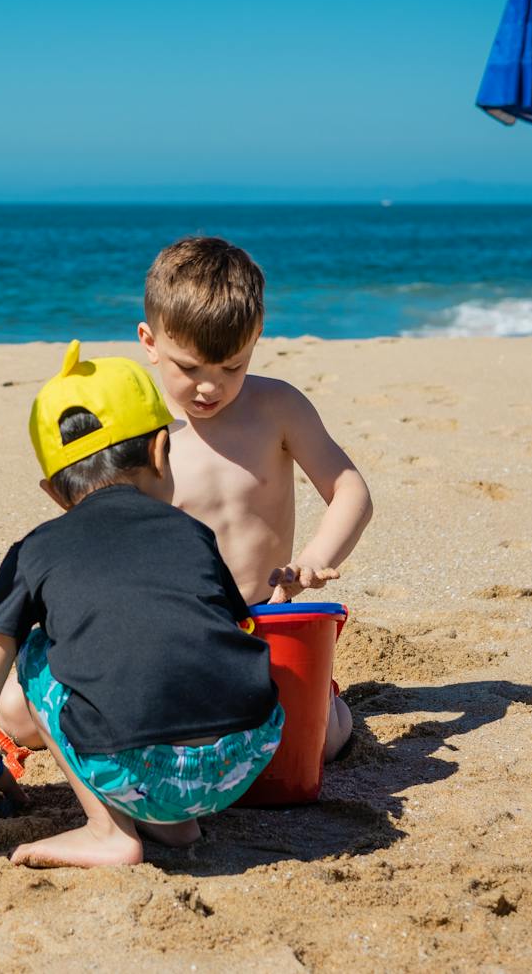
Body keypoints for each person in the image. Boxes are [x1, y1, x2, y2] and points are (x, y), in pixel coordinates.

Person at [0, 342, 283, 868]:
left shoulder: (32, 553)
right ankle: (174, 825)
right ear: (158, 451)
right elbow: (230, 628)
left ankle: (108, 831)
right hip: (245, 757)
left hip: (137, 770)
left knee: (36, 649)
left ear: (54, 493)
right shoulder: (194, 534)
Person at [137, 236, 373, 761]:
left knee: (322, 744)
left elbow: (350, 490)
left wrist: (316, 558)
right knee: (19, 713)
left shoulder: (277, 407)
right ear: (149, 341)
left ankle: (326, 699)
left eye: (232, 368)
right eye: (190, 367)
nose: (209, 388)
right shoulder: (140, 422)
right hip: (172, 628)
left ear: (256, 339)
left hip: (261, 621)